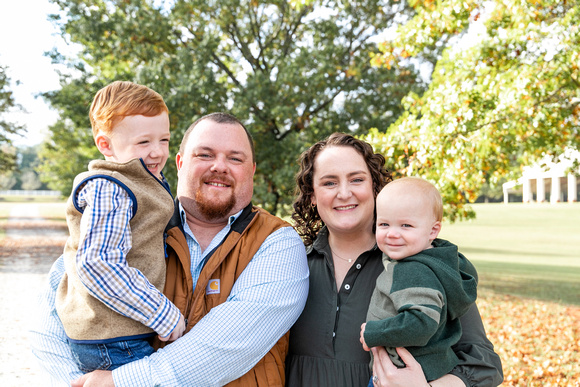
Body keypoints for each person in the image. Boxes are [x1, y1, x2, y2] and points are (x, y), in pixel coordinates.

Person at [30, 112, 310, 386]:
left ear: (251, 171)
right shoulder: (130, 220)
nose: (220, 166)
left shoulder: (278, 243)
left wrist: (118, 382)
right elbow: (50, 319)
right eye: (205, 155)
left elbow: (225, 348)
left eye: (235, 158)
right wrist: (78, 383)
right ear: (178, 163)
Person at [286, 133, 503, 387]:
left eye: (357, 179)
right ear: (312, 194)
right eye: (329, 183)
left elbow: (485, 363)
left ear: (375, 188)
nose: (344, 193)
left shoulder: (422, 265)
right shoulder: (291, 265)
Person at [55, 81, 186, 373]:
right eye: (144, 142)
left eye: (163, 140)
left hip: (116, 335)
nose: (157, 152)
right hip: (113, 339)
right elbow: (97, 262)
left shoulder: (135, 179)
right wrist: (163, 315)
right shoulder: (110, 188)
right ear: (105, 145)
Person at [360, 177, 478, 384]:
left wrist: (373, 332)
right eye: (384, 224)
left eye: (406, 225)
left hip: (404, 375)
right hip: (428, 368)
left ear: (433, 230)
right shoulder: (433, 261)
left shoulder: (414, 270)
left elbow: (422, 322)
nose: (392, 234)